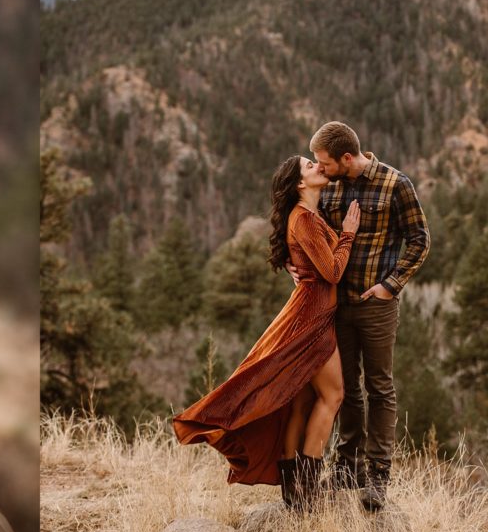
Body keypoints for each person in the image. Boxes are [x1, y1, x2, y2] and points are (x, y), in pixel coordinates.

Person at [174, 155, 360, 510]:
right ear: (300, 184)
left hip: (311, 311)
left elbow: (317, 266)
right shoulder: (303, 219)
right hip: (312, 319)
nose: (318, 166)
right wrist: (348, 233)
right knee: (333, 397)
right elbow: (333, 272)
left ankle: (295, 493)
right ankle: (305, 491)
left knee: (302, 401)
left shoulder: (308, 216)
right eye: (310, 165)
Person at [306, 121, 429, 511]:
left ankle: (378, 476)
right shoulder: (333, 186)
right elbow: (315, 231)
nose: (318, 168)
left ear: (347, 157)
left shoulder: (396, 185)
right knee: (346, 388)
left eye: (323, 162)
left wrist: (391, 285)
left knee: (379, 387)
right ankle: (348, 468)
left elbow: (420, 240)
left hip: (377, 306)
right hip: (337, 303)